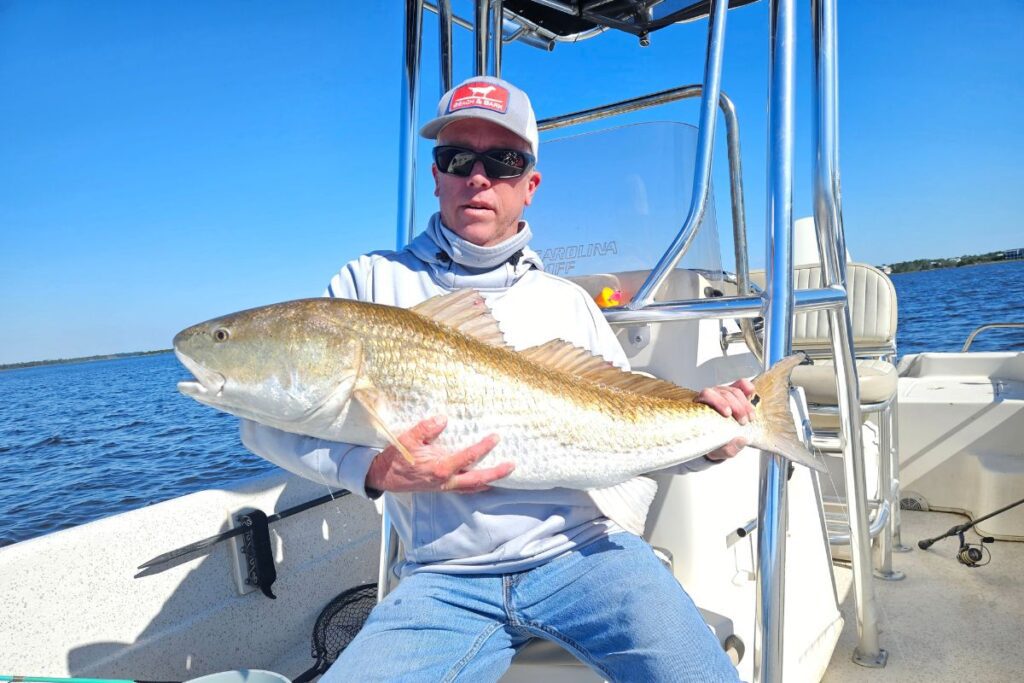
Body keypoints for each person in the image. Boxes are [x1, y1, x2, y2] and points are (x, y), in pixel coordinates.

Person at [241, 76, 755, 682]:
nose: (477, 177)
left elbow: (628, 430)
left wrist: (711, 443)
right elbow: (264, 423)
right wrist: (373, 470)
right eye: (457, 158)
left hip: (586, 554)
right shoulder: (368, 287)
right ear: (436, 176)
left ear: (530, 185)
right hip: (442, 580)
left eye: (502, 160)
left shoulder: (568, 303)